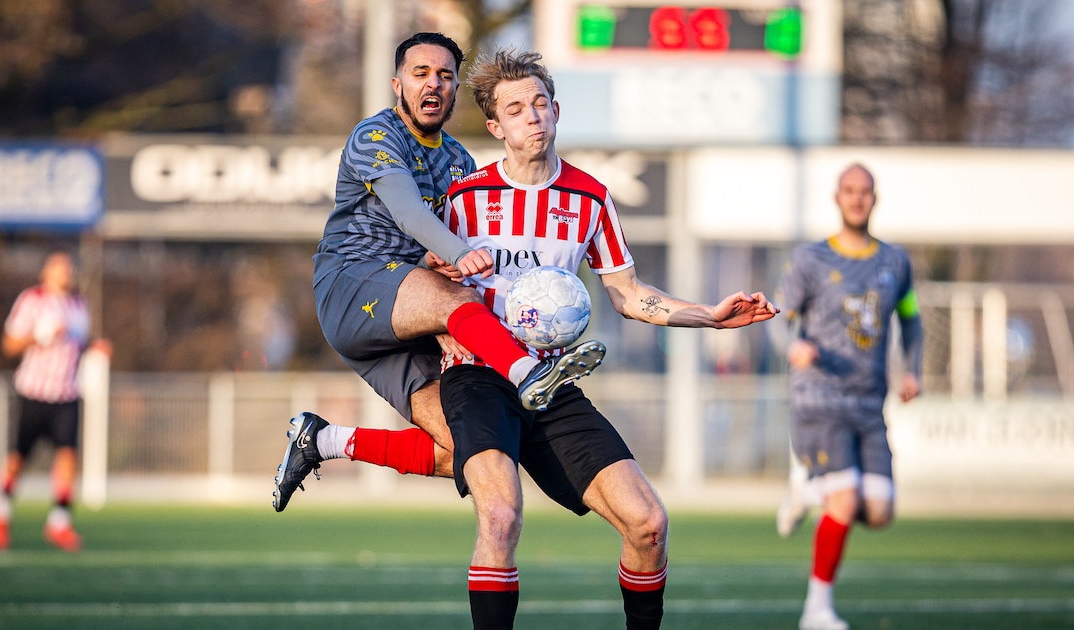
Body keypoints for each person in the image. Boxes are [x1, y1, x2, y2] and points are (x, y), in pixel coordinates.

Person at [429, 49, 779, 628]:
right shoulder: (464, 199)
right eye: (516, 109)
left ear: (557, 110)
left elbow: (630, 295)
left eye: (541, 103)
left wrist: (711, 317)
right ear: (496, 127)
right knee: (501, 517)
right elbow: (425, 283)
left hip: (554, 383)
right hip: (480, 376)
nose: (532, 116)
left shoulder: (589, 199)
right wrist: (444, 328)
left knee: (649, 524)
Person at [272, 32, 604, 511]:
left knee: (466, 449)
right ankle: (530, 373)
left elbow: (440, 262)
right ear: (397, 83)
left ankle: (323, 441)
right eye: (420, 73)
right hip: (353, 286)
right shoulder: (376, 135)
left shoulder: (459, 161)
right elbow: (409, 213)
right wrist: (458, 262)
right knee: (460, 304)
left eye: (445, 76)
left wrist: (449, 284)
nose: (434, 84)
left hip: (413, 312)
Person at [775, 163, 923, 630]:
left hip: (869, 403)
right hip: (819, 398)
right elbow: (779, 317)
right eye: (849, 191)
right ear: (836, 198)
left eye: (865, 192)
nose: (857, 198)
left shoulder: (895, 262)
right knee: (844, 500)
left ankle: (806, 486)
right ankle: (816, 610)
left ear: (874, 199)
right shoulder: (811, 259)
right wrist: (794, 345)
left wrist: (912, 370)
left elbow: (912, 317)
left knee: (878, 511)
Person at [0, 250, 112, 553]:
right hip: (34, 392)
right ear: (46, 273)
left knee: (68, 458)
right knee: (18, 459)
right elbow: (9, 345)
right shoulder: (32, 300)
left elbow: (79, 344)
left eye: (69, 269)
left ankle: (59, 522)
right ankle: (0, 513)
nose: (66, 274)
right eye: (60, 269)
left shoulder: (80, 305)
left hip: (67, 393)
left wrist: (97, 347)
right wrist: (40, 335)